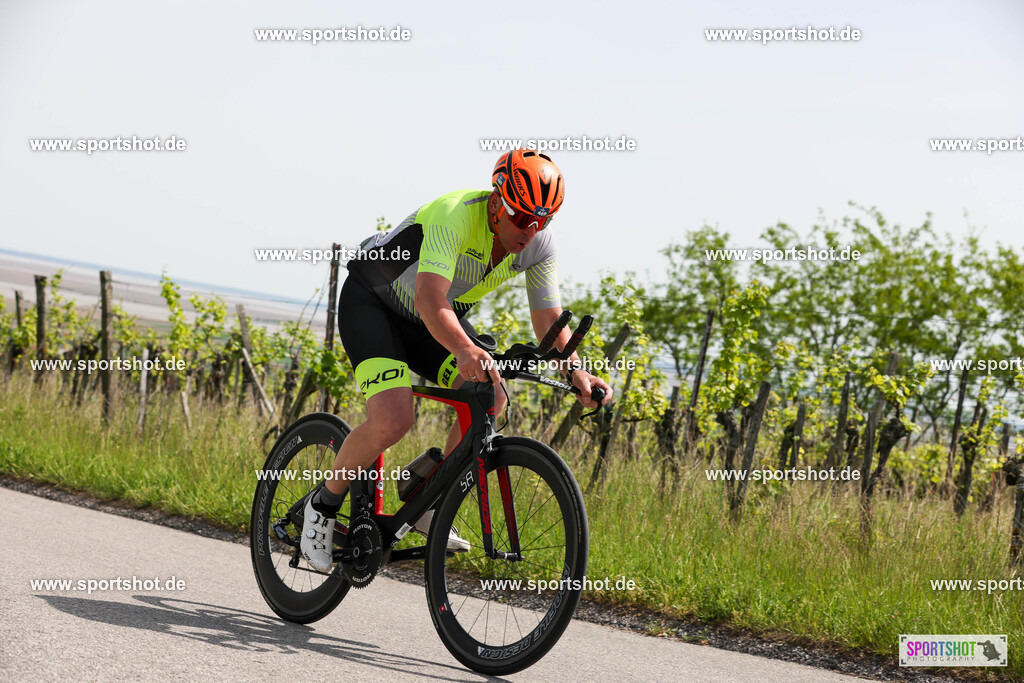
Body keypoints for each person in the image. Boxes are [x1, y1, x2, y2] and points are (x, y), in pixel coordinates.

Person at [301, 148, 612, 572]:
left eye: (544, 221)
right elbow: (430, 297)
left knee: (491, 395)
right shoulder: (455, 215)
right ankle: (321, 507)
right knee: (393, 418)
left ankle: (425, 492)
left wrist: (576, 371)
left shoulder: (538, 245)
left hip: (430, 320)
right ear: (499, 200)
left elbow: (548, 320)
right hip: (374, 304)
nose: (532, 230)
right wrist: (465, 349)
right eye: (523, 218)